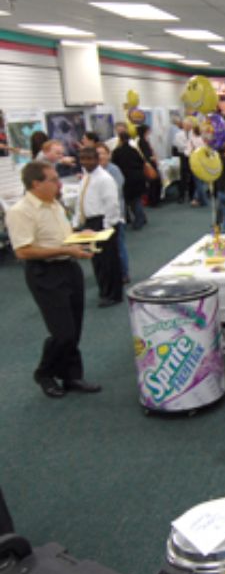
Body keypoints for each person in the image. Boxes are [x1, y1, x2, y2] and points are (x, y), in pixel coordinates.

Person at [5, 161, 101, 398]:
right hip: (45, 274)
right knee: (62, 331)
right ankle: (45, 373)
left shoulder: (54, 204)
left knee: (74, 326)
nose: (59, 184)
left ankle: (71, 376)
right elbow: (23, 251)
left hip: (69, 268)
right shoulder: (20, 211)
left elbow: (62, 237)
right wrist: (66, 251)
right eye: (54, 180)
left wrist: (80, 236)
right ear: (36, 184)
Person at [74, 147, 123, 307]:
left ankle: (114, 295)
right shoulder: (86, 178)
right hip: (90, 223)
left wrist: (107, 226)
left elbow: (112, 203)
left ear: (97, 159)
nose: (86, 162)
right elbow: (80, 201)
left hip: (103, 222)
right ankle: (104, 291)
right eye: (83, 159)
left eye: (89, 158)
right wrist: (76, 223)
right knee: (98, 261)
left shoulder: (104, 178)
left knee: (109, 261)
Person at [96, 143, 130, 284]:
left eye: (103, 153)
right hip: (101, 215)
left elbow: (116, 192)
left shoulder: (113, 170)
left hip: (115, 215)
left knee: (118, 244)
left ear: (108, 155)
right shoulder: (93, 172)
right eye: (97, 153)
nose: (100, 156)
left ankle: (124, 273)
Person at [112, 130, 147, 230]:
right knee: (137, 199)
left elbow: (115, 166)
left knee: (133, 201)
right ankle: (142, 217)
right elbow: (142, 162)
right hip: (138, 176)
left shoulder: (117, 152)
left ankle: (139, 220)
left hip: (127, 178)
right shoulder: (134, 150)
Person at [136, 124, 161, 207]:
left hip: (150, 163)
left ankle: (154, 200)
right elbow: (145, 154)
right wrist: (152, 158)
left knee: (154, 182)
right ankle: (153, 201)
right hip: (149, 164)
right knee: (154, 182)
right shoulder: (141, 141)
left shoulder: (145, 140)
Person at [187, 123, 209, 207]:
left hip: (195, 163)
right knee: (202, 182)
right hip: (204, 162)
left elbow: (188, 153)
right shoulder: (204, 140)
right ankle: (197, 198)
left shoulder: (191, 140)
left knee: (198, 183)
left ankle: (201, 200)